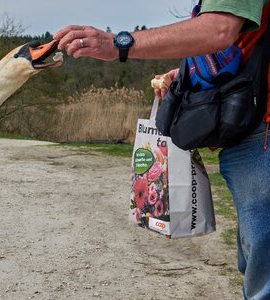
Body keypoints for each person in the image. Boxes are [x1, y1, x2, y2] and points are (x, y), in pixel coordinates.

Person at [53, 1, 269, 299]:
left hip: (263, 137)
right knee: (255, 261)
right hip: (253, 132)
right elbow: (241, 43)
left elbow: (220, 29)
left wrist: (118, 44)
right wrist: (190, 73)